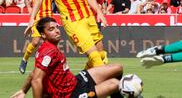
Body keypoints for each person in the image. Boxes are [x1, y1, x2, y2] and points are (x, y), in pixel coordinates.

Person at [11, 17, 139, 98]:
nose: (56, 31)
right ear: (43, 35)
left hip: (75, 81)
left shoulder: (48, 48)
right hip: (70, 94)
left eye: (56, 27)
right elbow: (36, 80)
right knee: (115, 84)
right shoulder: (48, 51)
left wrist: (23, 90)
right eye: (51, 29)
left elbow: (34, 73)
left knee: (117, 68)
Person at [19, 0, 53, 74]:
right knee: (35, 42)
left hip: (49, 17)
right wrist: (29, 8)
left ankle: (47, 66)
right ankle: (24, 60)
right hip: (38, 17)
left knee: (50, 43)